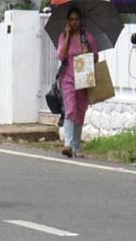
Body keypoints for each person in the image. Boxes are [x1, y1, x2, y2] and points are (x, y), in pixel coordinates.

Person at [56, 6, 98, 158]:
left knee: (80, 112)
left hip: (83, 79)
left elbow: (96, 58)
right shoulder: (63, 37)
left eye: (77, 19)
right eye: (71, 19)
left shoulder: (88, 38)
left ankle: (76, 147)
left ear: (81, 21)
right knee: (70, 110)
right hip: (67, 78)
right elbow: (60, 56)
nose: (74, 22)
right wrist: (67, 36)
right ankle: (67, 143)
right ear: (68, 22)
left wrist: (89, 53)